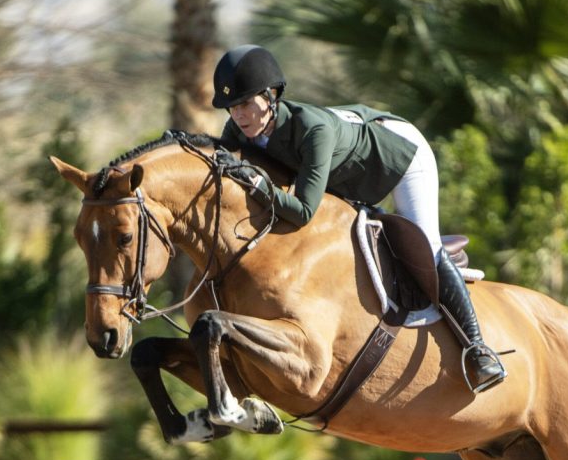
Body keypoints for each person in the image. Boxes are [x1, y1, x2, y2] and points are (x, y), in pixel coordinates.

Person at [212, 44, 506, 393]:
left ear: (270, 96)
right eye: (232, 108)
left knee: (422, 243)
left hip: (398, 156)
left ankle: (478, 349)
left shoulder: (311, 130)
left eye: (246, 104)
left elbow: (304, 211)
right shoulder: (238, 131)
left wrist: (259, 184)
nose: (239, 116)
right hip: (350, 169)